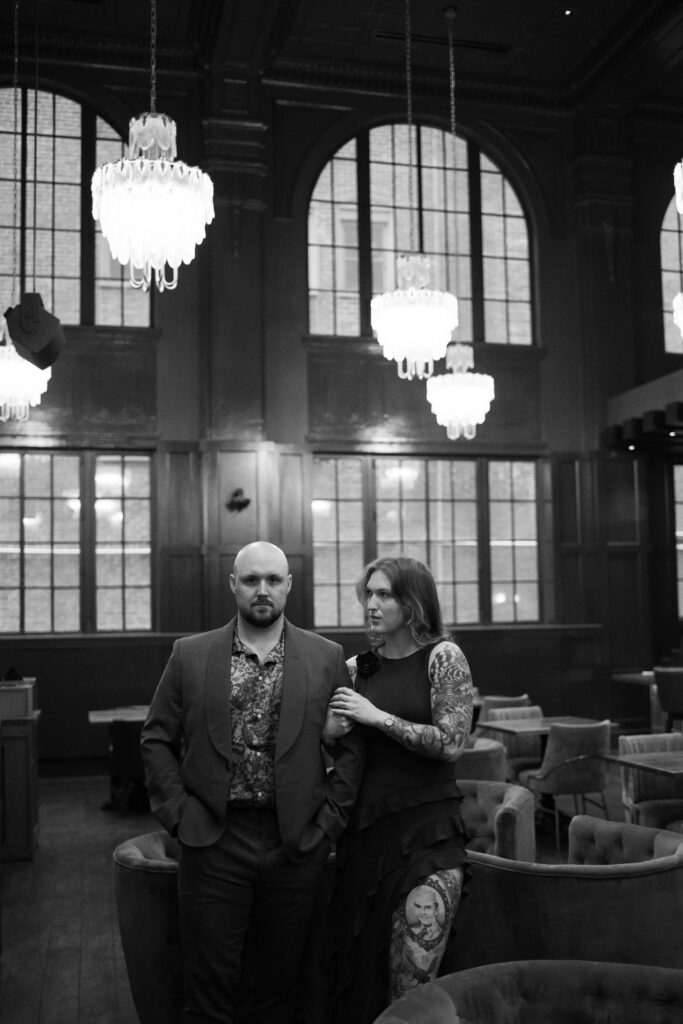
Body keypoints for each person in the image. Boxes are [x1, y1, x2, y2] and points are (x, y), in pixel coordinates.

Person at [140, 541, 363, 1024]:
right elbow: (156, 739)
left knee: (277, 991)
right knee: (207, 993)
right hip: (213, 840)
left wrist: (328, 825)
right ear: (233, 585)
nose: (263, 590)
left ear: (289, 585)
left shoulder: (327, 657)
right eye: (251, 580)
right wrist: (179, 816)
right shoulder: (190, 654)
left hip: (294, 845)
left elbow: (350, 750)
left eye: (273, 580)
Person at [326, 555, 473, 1023]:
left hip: (427, 834)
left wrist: (375, 716)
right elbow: (333, 747)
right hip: (365, 836)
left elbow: (451, 743)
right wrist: (328, 732)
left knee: (410, 988)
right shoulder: (356, 667)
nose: (371, 604)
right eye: (368, 593)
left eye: (384, 594)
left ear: (412, 602)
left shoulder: (442, 655)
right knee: (359, 978)